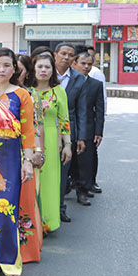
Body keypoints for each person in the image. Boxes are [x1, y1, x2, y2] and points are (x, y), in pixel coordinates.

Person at [0, 48, 36, 276]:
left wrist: (28, 162)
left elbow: (28, 131)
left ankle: (8, 262)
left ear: (14, 69)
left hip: (10, 159)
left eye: (7, 65)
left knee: (7, 210)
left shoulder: (22, 95)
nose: (2, 70)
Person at [31, 48, 72, 232]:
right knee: (33, 181)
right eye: (40, 66)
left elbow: (64, 120)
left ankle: (48, 223)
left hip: (52, 139)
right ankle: (31, 222)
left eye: (48, 67)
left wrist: (67, 144)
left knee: (49, 182)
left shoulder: (58, 92)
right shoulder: (27, 92)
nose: (44, 70)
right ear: (33, 69)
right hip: (31, 138)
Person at [16, 54, 45, 263]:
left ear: (27, 71)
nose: (15, 72)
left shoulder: (31, 94)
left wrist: (38, 151)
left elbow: (36, 126)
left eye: (19, 68)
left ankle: (26, 249)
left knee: (26, 200)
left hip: (24, 151)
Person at [53, 42, 88, 218]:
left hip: (68, 131)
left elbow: (82, 109)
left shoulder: (79, 78)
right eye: (63, 53)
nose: (66, 57)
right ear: (55, 55)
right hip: (45, 129)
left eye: (70, 55)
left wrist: (81, 137)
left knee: (62, 172)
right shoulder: (44, 72)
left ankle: (59, 209)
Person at [72, 50, 105, 205]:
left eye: (89, 64)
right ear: (75, 63)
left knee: (86, 161)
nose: (86, 67)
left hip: (89, 128)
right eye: (83, 63)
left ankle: (83, 191)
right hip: (69, 126)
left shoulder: (96, 84)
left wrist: (99, 131)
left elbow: (99, 109)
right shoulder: (66, 81)